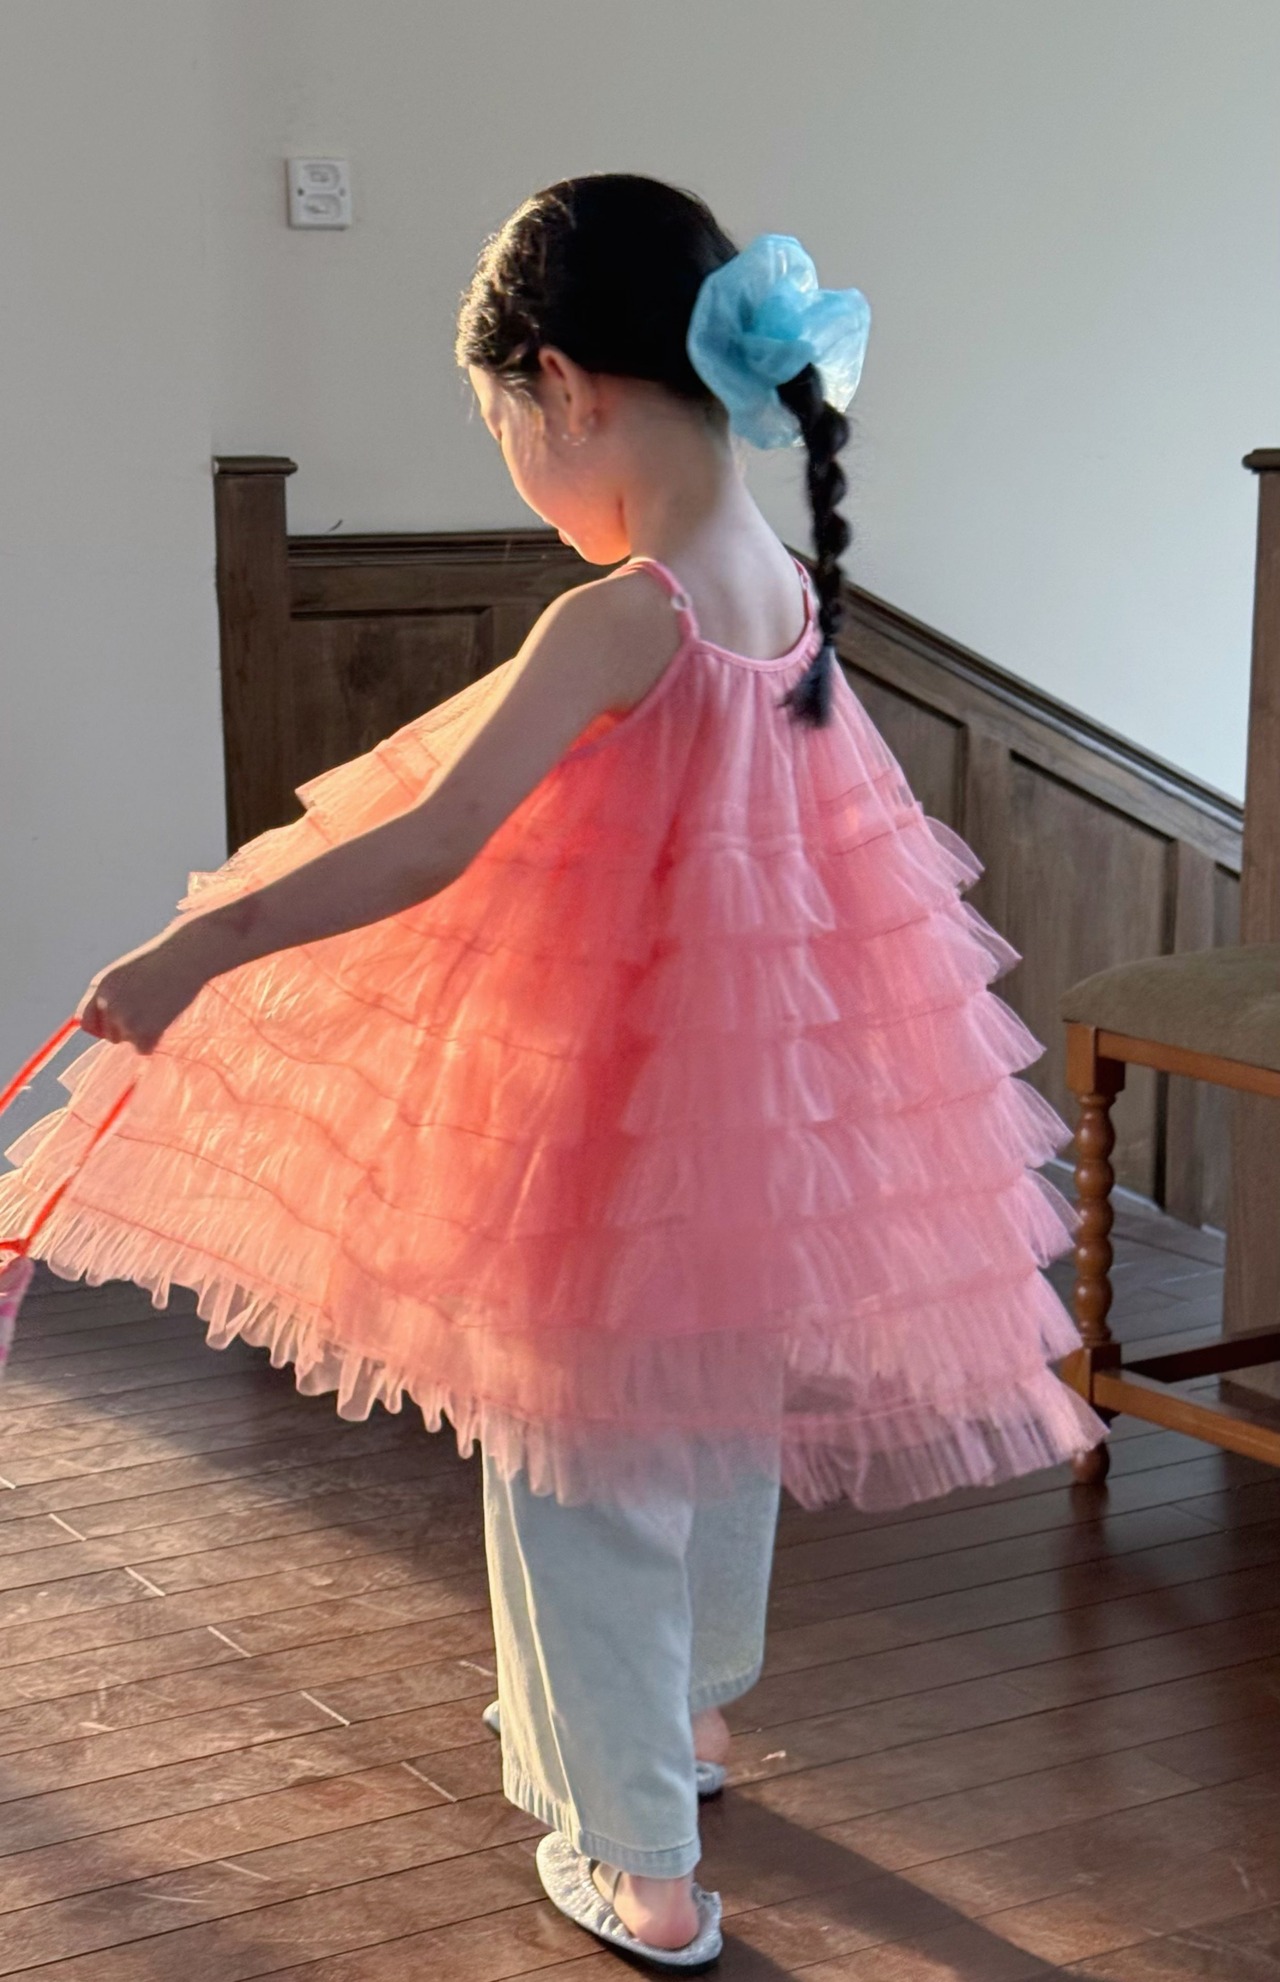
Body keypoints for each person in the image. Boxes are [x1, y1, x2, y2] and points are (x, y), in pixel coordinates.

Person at [0, 174, 1105, 1967]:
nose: (520, 461)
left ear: (565, 386)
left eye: (504, 423)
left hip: (607, 1114)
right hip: (752, 1107)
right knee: (708, 1407)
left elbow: (435, 841)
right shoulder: (784, 591)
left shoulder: (621, 617)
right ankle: (691, 1714)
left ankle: (638, 1861)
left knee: (572, 1462)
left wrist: (200, 948)